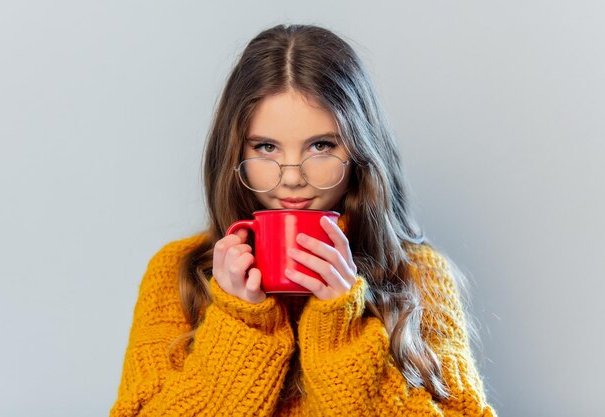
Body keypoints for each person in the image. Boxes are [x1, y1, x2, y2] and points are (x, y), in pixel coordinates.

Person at [110, 24, 497, 417]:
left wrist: (341, 333)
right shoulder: (177, 275)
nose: (293, 176)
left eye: (321, 146)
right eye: (266, 147)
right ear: (233, 152)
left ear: (360, 151)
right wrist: (241, 325)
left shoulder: (418, 277)